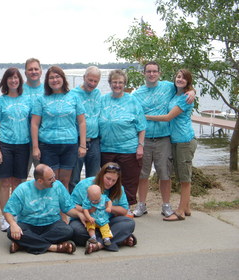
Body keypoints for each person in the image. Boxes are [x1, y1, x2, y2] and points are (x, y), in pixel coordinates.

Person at [132, 61, 195, 217]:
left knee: (165, 173)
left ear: (159, 73)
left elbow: (185, 86)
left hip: (164, 138)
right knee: (143, 174)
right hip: (145, 139)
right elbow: (131, 112)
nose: (152, 74)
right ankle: (142, 205)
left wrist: (193, 91)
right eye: (149, 71)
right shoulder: (137, 93)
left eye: (155, 71)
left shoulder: (168, 87)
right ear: (144, 73)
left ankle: (166, 205)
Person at [3, 164, 85, 255]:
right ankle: (54, 247)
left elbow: (67, 208)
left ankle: (24, 244)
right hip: (28, 224)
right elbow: (8, 211)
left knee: (68, 231)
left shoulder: (57, 185)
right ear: (40, 181)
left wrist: (79, 214)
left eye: (54, 176)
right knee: (11, 232)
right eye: (50, 179)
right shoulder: (23, 189)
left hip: (52, 223)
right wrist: (13, 224)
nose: (54, 180)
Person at [31, 65, 87, 190]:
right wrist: (35, 148)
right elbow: (34, 124)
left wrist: (82, 145)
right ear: (47, 81)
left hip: (70, 145)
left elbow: (82, 122)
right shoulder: (41, 99)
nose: (55, 80)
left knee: (65, 181)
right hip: (48, 146)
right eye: (51, 78)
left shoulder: (74, 97)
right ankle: (52, 209)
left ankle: (63, 209)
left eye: (57, 77)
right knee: (51, 182)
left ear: (63, 79)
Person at [0, 68, 32, 232]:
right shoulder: (0, 101)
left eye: (16, 78)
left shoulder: (27, 99)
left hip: (23, 145)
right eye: (10, 78)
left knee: (18, 182)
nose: (13, 81)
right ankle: (5, 217)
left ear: (20, 81)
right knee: (6, 182)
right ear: (5, 81)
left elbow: (33, 123)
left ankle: (16, 214)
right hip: (5, 144)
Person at [99, 69, 146, 205]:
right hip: (106, 149)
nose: (117, 85)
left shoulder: (132, 101)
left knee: (129, 181)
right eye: (114, 82)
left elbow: (142, 126)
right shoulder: (103, 100)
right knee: (108, 181)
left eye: (120, 82)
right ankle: (109, 207)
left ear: (124, 84)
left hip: (128, 149)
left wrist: (140, 146)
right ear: (110, 83)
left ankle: (127, 208)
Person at [70, 162, 137, 254]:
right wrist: (86, 211)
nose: (110, 183)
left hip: (106, 222)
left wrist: (107, 206)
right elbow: (71, 205)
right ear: (101, 175)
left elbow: (124, 210)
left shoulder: (119, 188)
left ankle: (98, 244)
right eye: (108, 178)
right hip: (88, 222)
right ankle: (117, 238)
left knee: (129, 223)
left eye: (114, 180)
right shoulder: (85, 185)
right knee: (75, 230)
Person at [69, 66, 102, 193]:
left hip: (94, 141)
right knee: (74, 178)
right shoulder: (73, 94)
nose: (92, 84)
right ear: (84, 78)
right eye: (90, 80)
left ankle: (91, 204)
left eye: (95, 81)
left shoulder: (98, 93)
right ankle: (73, 206)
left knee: (93, 178)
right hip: (77, 140)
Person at [23, 58, 44, 173]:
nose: (33, 72)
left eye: (36, 69)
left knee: (43, 176)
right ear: (25, 72)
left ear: (41, 71)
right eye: (30, 69)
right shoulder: (19, 89)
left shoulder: (48, 89)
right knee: (21, 176)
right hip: (23, 141)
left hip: (43, 140)